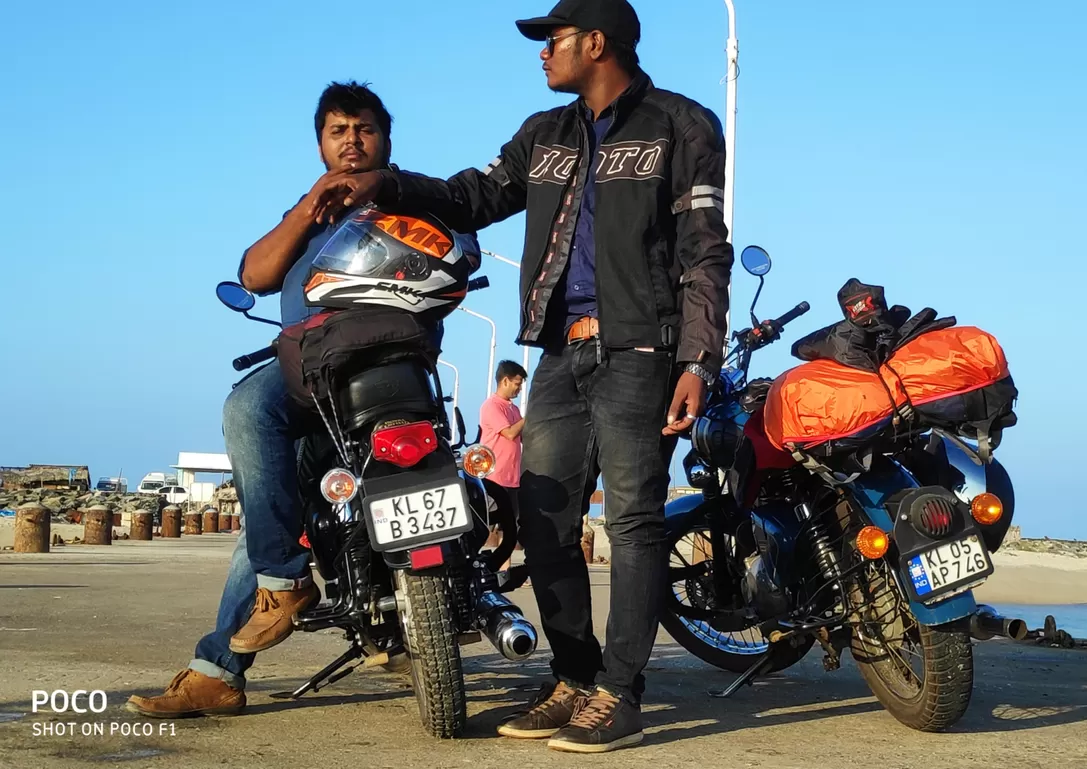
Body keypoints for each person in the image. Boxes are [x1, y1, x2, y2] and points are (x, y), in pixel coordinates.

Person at [311, 0, 733, 753]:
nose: (542, 52)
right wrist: (382, 184)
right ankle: (573, 675)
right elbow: (474, 196)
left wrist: (698, 358)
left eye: (553, 38)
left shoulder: (682, 123)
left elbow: (706, 249)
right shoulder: (544, 136)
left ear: (595, 42)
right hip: (559, 355)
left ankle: (618, 692)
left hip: (643, 351)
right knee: (542, 519)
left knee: (633, 522)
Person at [125, 82, 474, 717]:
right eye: (338, 131)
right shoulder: (309, 213)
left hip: (377, 365)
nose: (352, 141)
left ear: (386, 139)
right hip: (307, 371)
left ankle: (274, 597)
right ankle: (228, 654)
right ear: (319, 144)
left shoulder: (411, 200)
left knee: (248, 413)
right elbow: (255, 276)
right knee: (271, 519)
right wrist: (309, 206)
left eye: (363, 128)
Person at [479, 360, 528, 559]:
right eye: (517, 384)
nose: (519, 388)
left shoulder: (513, 409)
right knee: (486, 524)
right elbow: (509, 433)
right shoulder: (491, 406)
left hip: (512, 477)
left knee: (509, 528)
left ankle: (503, 569)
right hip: (494, 476)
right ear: (505, 381)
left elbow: (523, 436)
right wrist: (528, 418)